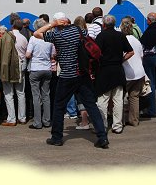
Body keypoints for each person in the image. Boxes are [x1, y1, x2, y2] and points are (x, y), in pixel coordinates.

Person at [34, 12, 110, 149]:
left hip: (67, 76)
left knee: (59, 106)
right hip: (82, 74)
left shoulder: (56, 35)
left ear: (58, 22)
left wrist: (52, 24)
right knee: (91, 105)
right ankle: (102, 137)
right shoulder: (78, 30)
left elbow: (36, 33)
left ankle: (57, 137)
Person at [94, 15, 134, 134]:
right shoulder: (120, 35)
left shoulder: (101, 36)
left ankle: (103, 125)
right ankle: (117, 125)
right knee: (118, 100)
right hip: (118, 70)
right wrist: (121, 59)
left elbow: (96, 53)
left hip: (104, 71)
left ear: (104, 25)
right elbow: (131, 52)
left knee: (102, 100)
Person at [0, 19, 27, 126]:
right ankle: (22, 117)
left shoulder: (5, 37)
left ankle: (11, 118)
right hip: (21, 66)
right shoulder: (23, 38)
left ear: (12, 26)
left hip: (7, 67)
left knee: (8, 93)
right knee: (21, 93)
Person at [26, 18, 56, 129]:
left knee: (36, 96)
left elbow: (28, 54)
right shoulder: (49, 39)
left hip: (35, 68)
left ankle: (37, 122)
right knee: (46, 96)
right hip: (47, 69)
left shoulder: (33, 39)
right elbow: (53, 55)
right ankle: (47, 121)